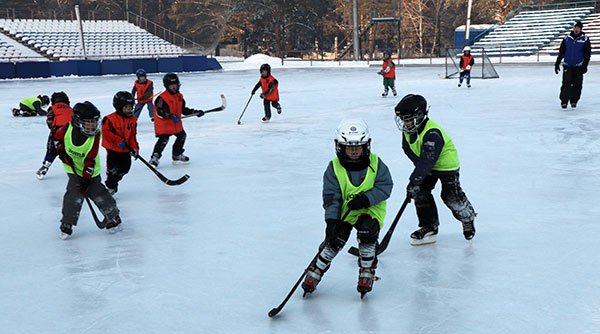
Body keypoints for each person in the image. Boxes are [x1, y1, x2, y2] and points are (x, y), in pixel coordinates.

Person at [302, 119, 393, 297]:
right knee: (335, 238)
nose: (353, 151)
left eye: (358, 147)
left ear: (366, 146)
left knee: (368, 233)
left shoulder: (376, 163)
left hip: (370, 210)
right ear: (340, 147)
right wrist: (331, 221)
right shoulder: (333, 167)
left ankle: (366, 270)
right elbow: (331, 196)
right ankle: (317, 269)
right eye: (349, 147)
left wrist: (366, 199)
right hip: (346, 211)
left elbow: (385, 186)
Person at [394, 94, 476, 245]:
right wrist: (418, 178)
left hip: (446, 166)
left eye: (408, 119)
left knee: (450, 196)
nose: (405, 123)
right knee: (420, 192)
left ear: (419, 116)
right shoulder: (409, 131)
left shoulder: (432, 133)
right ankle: (429, 226)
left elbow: (427, 160)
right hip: (428, 165)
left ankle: (467, 218)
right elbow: (409, 150)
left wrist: (415, 179)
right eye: (403, 119)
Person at [53, 101, 122, 239]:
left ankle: (113, 216)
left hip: (90, 171)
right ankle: (67, 222)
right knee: (74, 195)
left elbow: (90, 159)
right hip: (73, 170)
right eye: (88, 122)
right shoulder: (67, 129)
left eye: (94, 122)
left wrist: (86, 178)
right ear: (77, 121)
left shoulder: (95, 136)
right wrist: (61, 152)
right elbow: (56, 138)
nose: (92, 126)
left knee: (99, 193)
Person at [149, 73, 205, 167]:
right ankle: (155, 157)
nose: (174, 87)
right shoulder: (162, 98)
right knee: (164, 139)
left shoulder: (179, 96)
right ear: (167, 86)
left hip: (176, 124)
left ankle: (177, 154)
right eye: (171, 85)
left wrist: (195, 112)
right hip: (164, 124)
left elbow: (183, 110)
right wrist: (170, 116)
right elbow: (160, 112)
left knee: (182, 136)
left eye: (175, 85)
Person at [101, 91, 140, 195]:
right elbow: (106, 133)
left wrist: (135, 148)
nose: (129, 109)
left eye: (131, 107)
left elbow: (132, 136)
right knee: (113, 170)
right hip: (113, 149)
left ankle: (113, 181)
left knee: (125, 168)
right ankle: (110, 186)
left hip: (125, 149)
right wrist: (118, 141)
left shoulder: (133, 120)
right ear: (119, 107)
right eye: (127, 107)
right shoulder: (109, 119)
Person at [36, 92, 73, 180]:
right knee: (70, 150)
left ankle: (45, 166)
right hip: (71, 131)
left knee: (51, 150)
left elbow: (50, 121)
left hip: (57, 131)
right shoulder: (71, 109)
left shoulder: (52, 108)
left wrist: (53, 129)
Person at [555, 21, 591, 109]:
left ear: (581, 29)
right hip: (567, 65)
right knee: (566, 84)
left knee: (577, 84)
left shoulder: (585, 39)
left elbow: (587, 54)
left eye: (578, 27)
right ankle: (564, 101)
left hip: (578, 65)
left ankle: (574, 101)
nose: (576, 29)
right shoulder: (567, 38)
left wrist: (585, 65)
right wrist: (557, 63)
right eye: (575, 27)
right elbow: (562, 52)